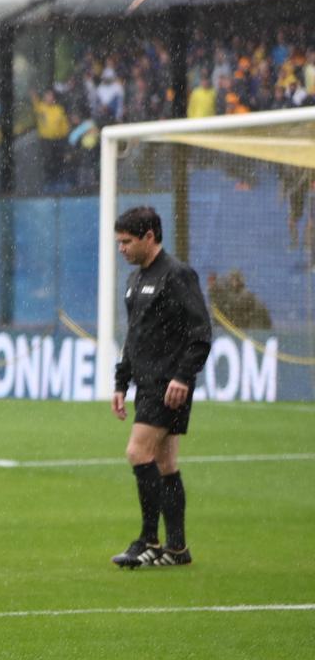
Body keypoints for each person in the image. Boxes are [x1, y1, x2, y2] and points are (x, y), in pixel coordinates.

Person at [109, 206, 212, 569]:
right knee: (165, 463)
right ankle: (178, 549)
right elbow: (133, 337)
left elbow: (201, 334)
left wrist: (183, 376)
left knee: (138, 452)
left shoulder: (177, 275)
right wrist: (121, 382)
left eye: (126, 241)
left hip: (169, 386)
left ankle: (149, 540)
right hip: (146, 384)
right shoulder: (135, 281)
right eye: (119, 242)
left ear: (149, 237)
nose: (121, 248)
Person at [30, 89, 70, 189]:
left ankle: (59, 181)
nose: (49, 98)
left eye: (51, 96)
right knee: (48, 160)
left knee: (58, 160)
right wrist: (34, 96)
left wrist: (65, 136)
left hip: (58, 139)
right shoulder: (41, 108)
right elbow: (35, 104)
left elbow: (64, 124)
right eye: (47, 96)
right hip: (46, 140)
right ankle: (49, 181)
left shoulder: (58, 109)